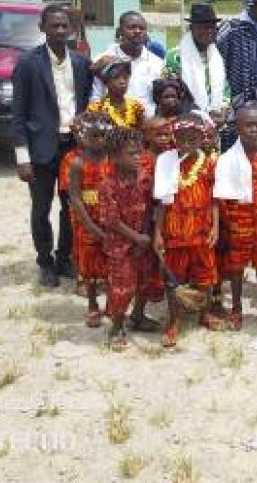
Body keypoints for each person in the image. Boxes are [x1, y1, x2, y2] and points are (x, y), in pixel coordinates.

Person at [12, 3, 93, 287]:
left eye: (64, 26)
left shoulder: (81, 63)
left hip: (72, 147)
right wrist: (22, 156)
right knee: (41, 206)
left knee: (71, 205)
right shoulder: (27, 63)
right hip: (41, 148)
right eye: (54, 25)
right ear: (42, 28)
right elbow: (19, 112)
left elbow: (84, 105)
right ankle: (44, 261)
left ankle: (64, 258)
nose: (60, 31)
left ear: (71, 28)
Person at [153, 113, 223, 347]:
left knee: (205, 276)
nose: (186, 145)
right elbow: (162, 201)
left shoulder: (210, 162)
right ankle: (174, 322)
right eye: (182, 139)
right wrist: (157, 233)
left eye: (192, 140)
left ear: (201, 139)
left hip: (202, 230)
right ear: (175, 139)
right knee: (175, 280)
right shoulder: (166, 161)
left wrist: (216, 227)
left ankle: (203, 315)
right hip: (175, 232)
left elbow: (215, 198)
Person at [214, 107, 257, 332]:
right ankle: (236, 309)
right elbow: (221, 196)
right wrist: (229, 225)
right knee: (236, 268)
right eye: (248, 125)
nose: (254, 129)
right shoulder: (227, 159)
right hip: (239, 220)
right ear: (238, 128)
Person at [97, 128, 157, 350]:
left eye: (139, 152)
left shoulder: (144, 178)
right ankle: (116, 327)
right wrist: (137, 238)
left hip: (144, 241)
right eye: (131, 153)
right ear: (114, 156)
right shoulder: (107, 185)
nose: (138, 157)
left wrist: (148, 234)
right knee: (122, 288)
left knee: (145, 283)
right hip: (121, 247)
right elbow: (111, 221)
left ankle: (138, 317)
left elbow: (152, 206)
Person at [68, 112, 112, 325]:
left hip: (111, 220)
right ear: (84, 137)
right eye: (94, 136)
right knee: (90, 265)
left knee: (112, 262)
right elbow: (75, 199)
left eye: (104, 136)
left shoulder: (113, 160)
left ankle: (112, 303)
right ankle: (93, 304)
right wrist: (92, 227)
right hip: (87, 221)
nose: (99, 140)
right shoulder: (77, 163)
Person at [92, 12, 164, 116]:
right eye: (131, 27)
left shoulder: (158, 64)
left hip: (147, 127)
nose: (137, 31)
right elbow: (96, 97)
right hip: (112, 126)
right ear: (119, 31)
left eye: (142, 28)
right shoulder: (103, 61)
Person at [164, 3, 226, 120]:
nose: (208, 31)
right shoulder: (175, 57)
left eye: (212, 27)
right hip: (184, 120)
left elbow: (225, 89)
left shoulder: (217, 57)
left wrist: (221, 111)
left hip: (214, 121)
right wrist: (193, 114)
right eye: (202, 27)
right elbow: (169, 93)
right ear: (191, 28)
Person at [87, 59, 145, 129]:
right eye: (116, 78)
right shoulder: (96, 108)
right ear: (106, 82)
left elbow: (142, 132)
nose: (122, 82)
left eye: (125, 78)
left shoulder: (136, 106)